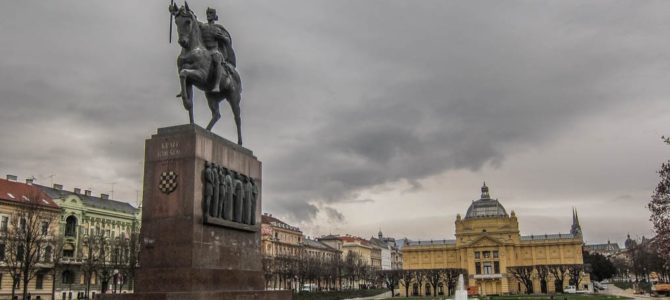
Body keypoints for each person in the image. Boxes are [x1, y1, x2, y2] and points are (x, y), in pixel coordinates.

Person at [200, 7, 235, 92]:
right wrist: (175, 12)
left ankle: (217, 85)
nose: (208, 15)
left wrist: (223, 38)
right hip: (204, 51)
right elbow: (191, 18)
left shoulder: (218, 28)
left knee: (217, 58)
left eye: (211, 13)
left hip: (214, 51)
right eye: (207, 13)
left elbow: (227, 39)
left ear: (214, 16)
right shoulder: (203, 26)